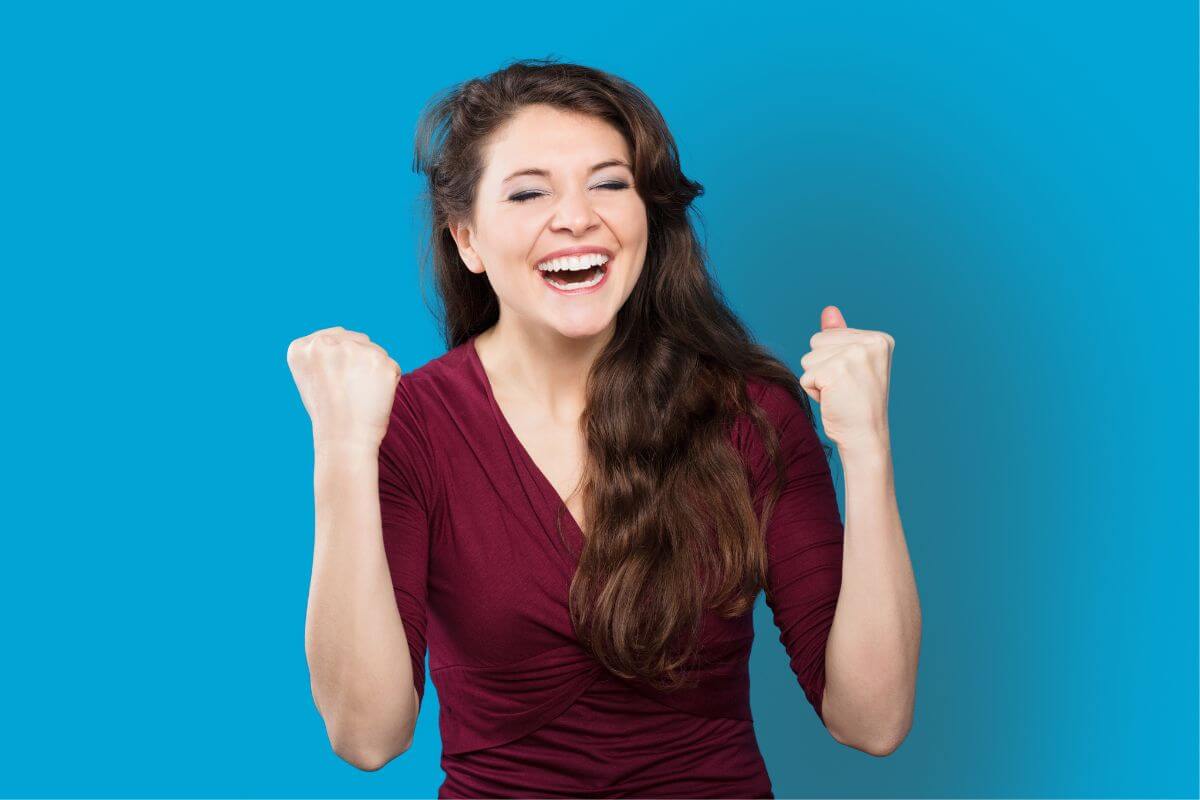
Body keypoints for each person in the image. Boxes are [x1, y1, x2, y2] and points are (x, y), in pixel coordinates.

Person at [287, 58, 920, 798]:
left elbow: (872, 721)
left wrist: (867, 447)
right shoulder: (417, 428)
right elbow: (367, 736)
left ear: (646, 213)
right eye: (529, 192)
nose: (577, 217)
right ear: (467, 238)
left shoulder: (749, 413)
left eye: (609, 183)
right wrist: (342, 453)